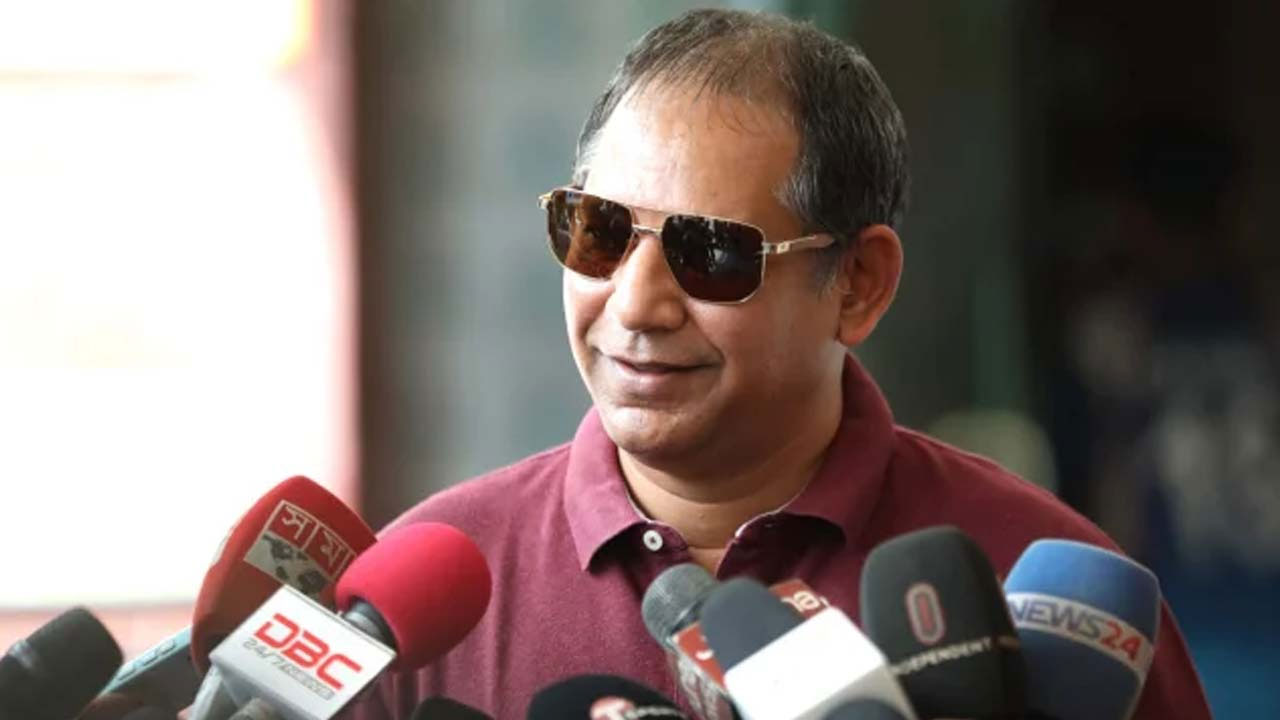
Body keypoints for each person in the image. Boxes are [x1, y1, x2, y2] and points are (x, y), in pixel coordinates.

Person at [351, 9, 1212, 719]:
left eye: (711, 252)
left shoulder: (1052, 603)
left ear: (859, 284)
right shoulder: (415, 607)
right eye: (599, 231)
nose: (636, 304)